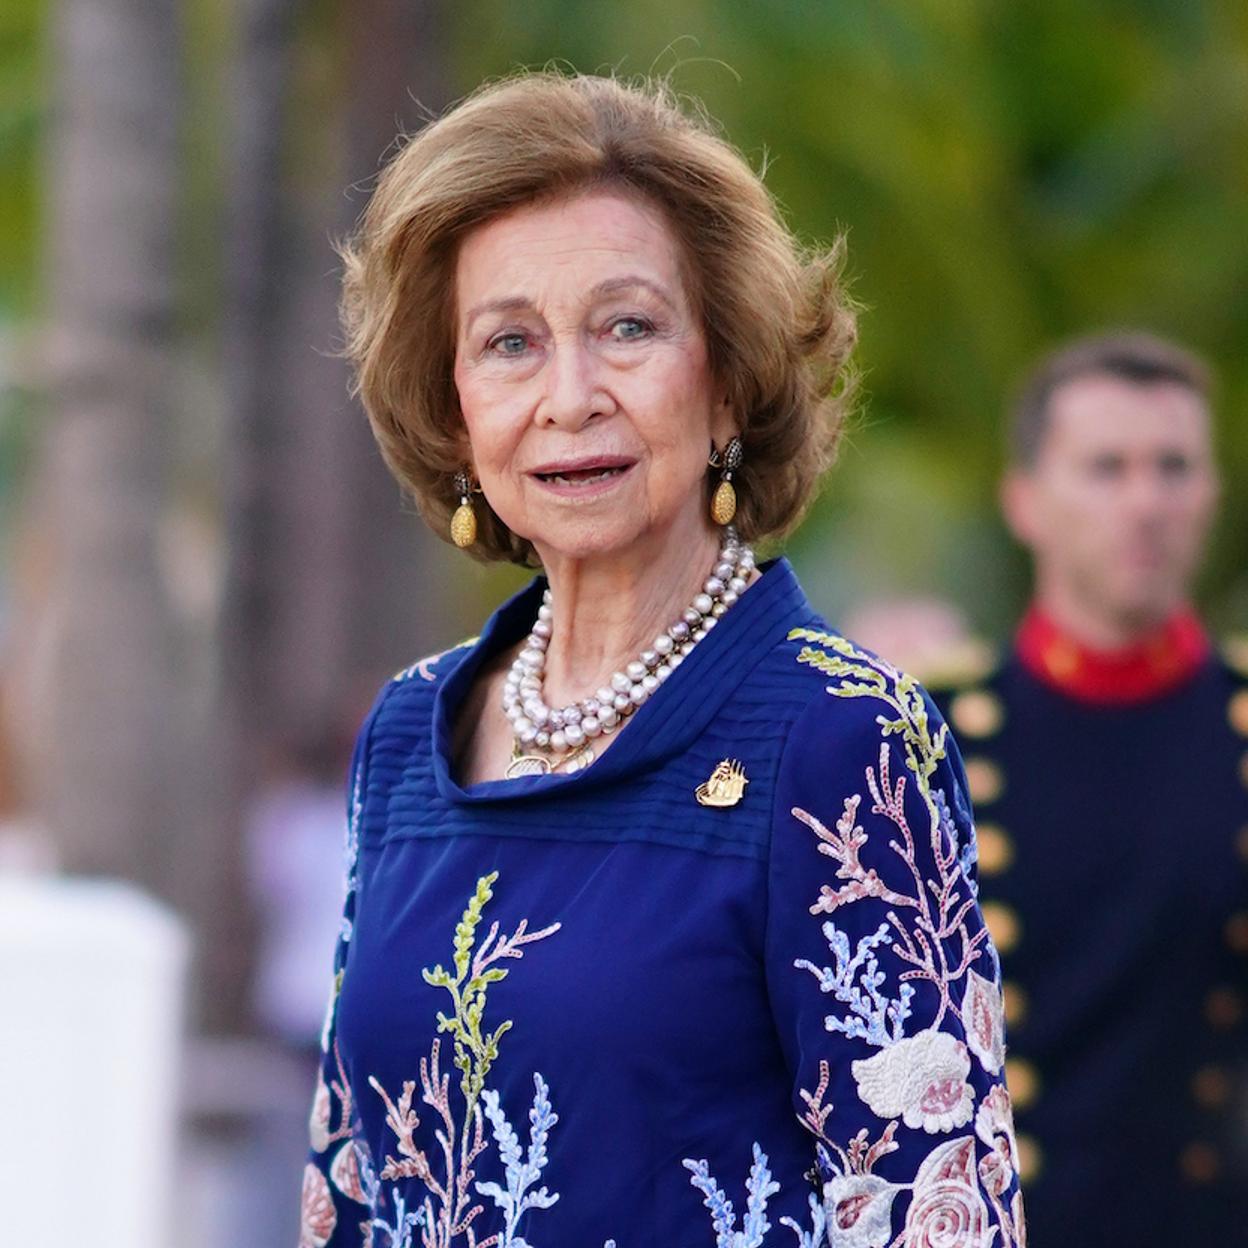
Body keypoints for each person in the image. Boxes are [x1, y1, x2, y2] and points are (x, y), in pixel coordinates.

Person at [300, 72, 1022, 1248]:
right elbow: (348, 1177)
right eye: (510, 344)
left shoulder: (838, 739)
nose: (570, 398)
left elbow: (940, 1215)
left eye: (628, 328)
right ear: (455, 408)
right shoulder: (406, 733)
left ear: (728, 379)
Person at [927, 332, 1248, 1246]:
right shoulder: (929, 735)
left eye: (1174, 467)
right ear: (1024, 502)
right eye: (1106, 468)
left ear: (1212, 496)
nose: (1145, 503)